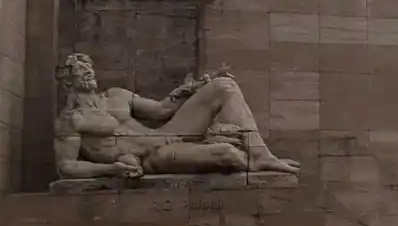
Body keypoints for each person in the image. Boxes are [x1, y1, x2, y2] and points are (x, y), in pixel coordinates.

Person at [53, 53, 300, 178]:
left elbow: (162, 110)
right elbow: (66, 167)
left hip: (165, 134)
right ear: (67, 82)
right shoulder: (72, 120)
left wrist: (192, 88)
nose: (88, 71)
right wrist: (111, 169)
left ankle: (261, 155)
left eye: (89, 67)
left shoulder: (116, 95)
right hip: (152, 158)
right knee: (228, 154)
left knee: (224, 86)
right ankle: (222, 145)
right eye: (80, 70)